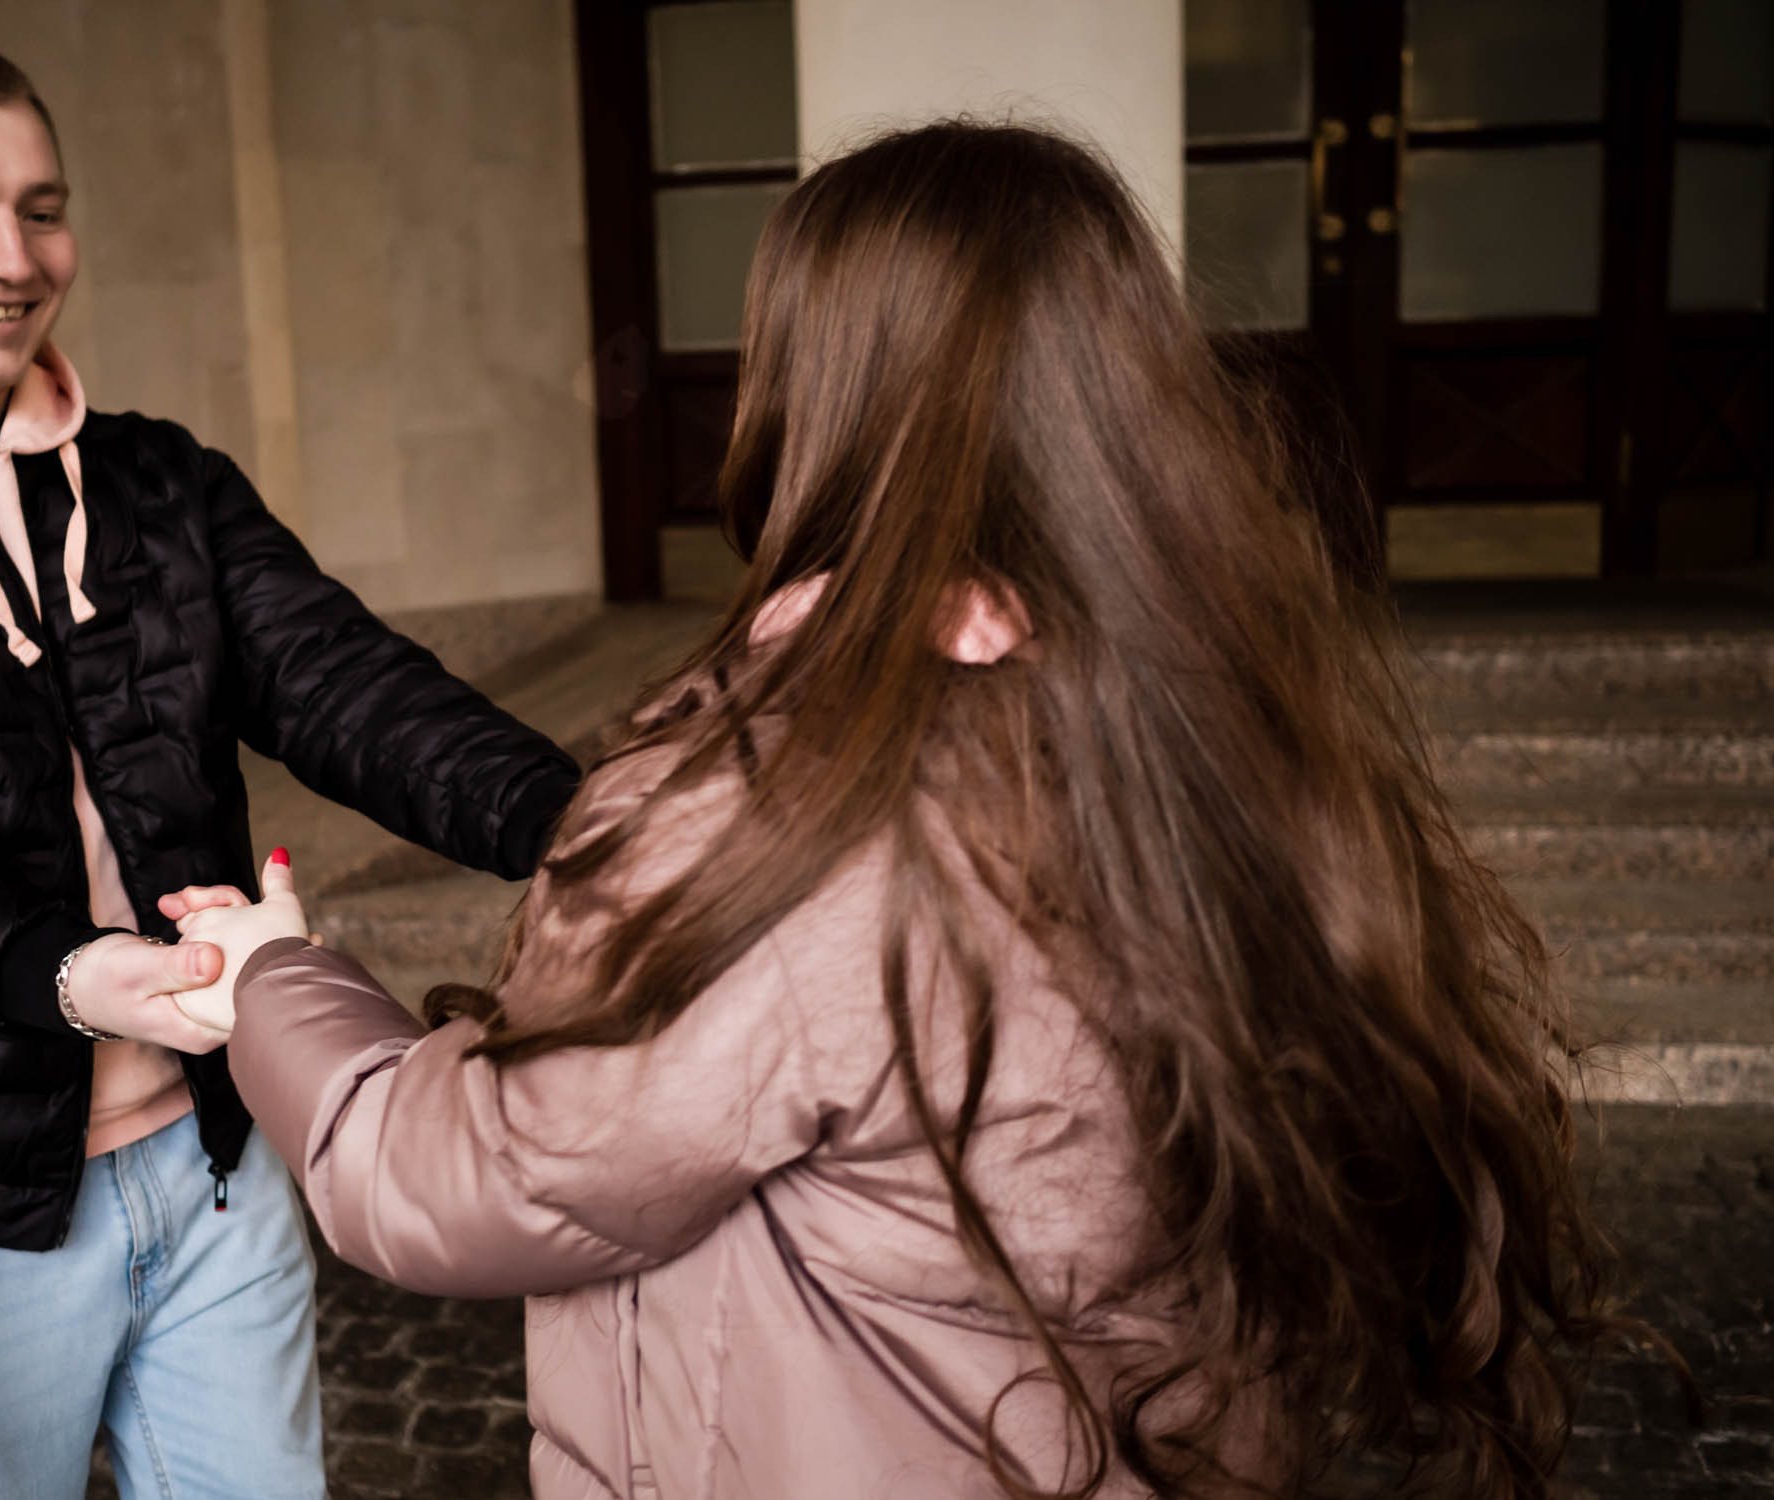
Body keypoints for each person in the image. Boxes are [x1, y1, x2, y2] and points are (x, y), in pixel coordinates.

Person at [174, 123, 1622, 1499]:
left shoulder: (797, 803)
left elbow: (462, 1179)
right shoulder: (1216, 724)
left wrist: (272, 985)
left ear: (819, 398)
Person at [0, 33, 577, 1500]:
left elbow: (350, 688)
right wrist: (67, 973)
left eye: (42, 206)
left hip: (209, 1156)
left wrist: (605, 833)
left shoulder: (157, 478)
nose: (10, 257)